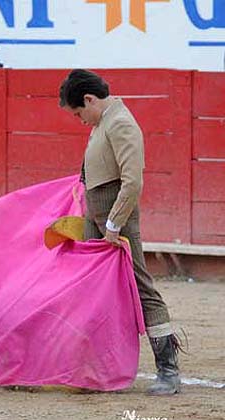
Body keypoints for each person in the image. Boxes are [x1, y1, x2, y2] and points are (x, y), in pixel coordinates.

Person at [58, 69, 181, 396]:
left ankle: (168, 369)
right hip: (96, 217)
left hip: (116, 219)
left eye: (79, 113)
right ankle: (96, 366)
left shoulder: (120, 122)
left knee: (141, 286)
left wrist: (113, 224)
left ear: (89, 99)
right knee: (91, 288)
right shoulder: (103, 122)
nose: (80, 120)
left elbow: (132, 182)